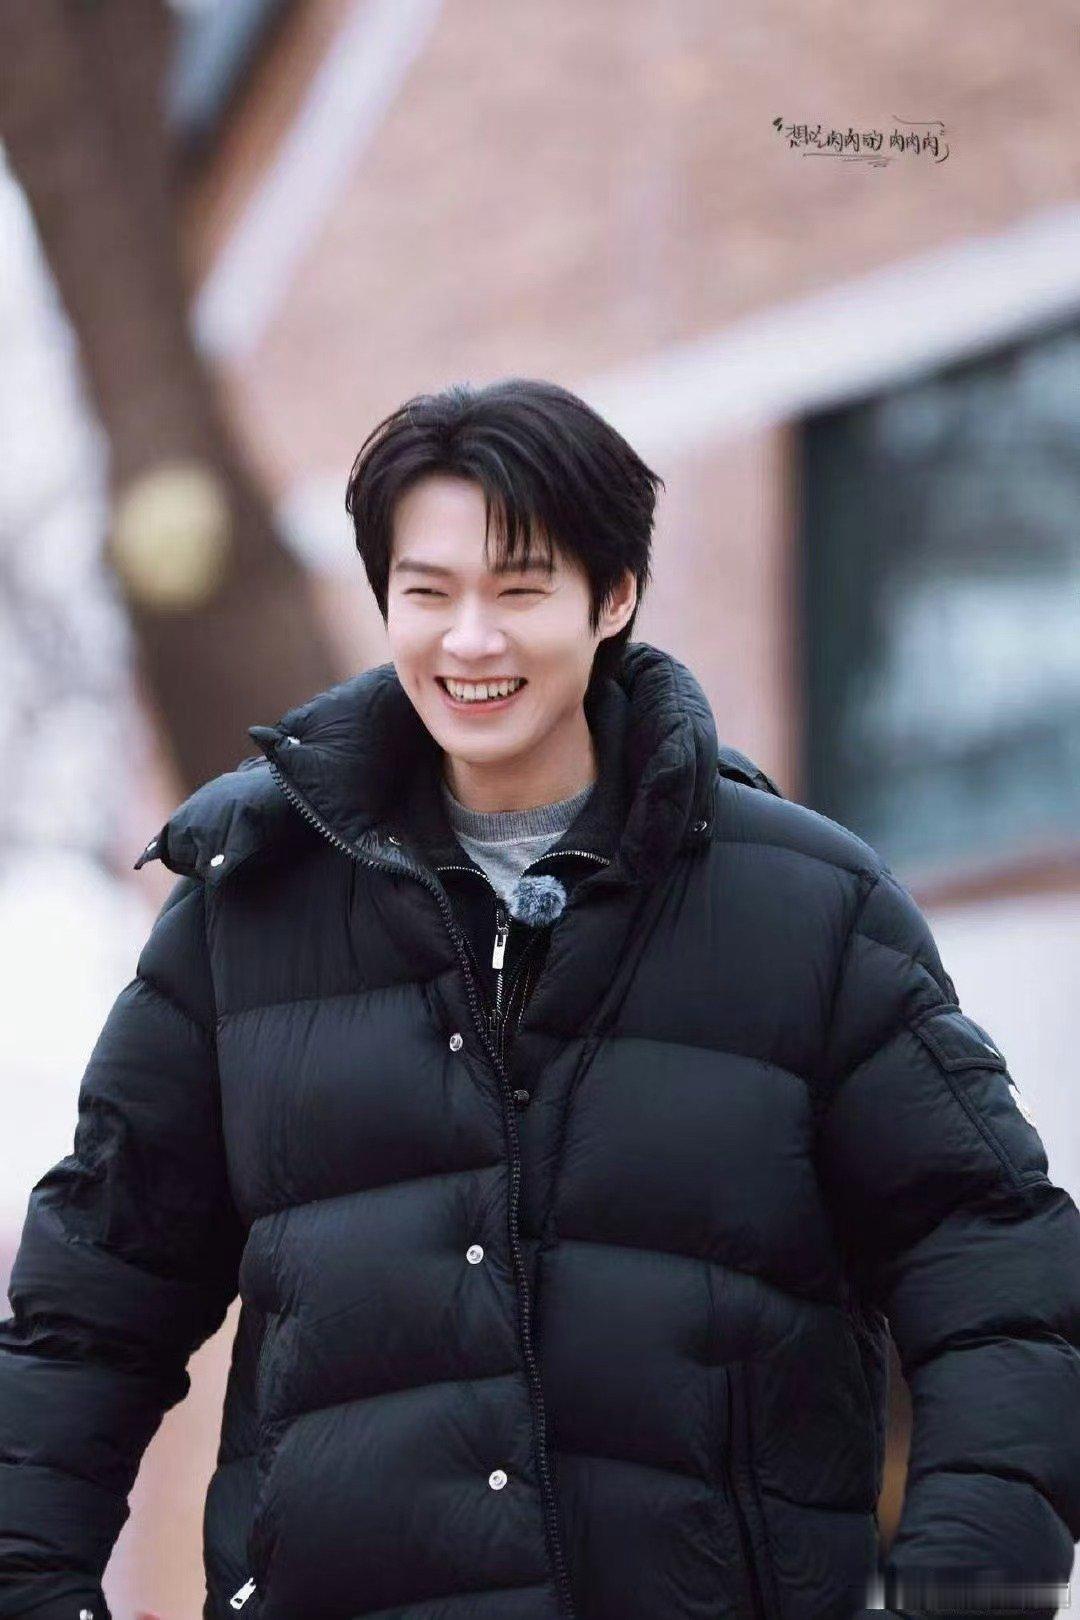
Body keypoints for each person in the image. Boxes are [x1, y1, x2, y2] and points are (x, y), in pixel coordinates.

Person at [1, 377, 1078, 1620]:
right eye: (428, 593)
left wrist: (973, 1586)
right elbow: (93, 1299)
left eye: (519, 590)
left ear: (612, 597)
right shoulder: (244, 912)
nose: (470, 641)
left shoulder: (812, 910)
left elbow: (996, 1271)